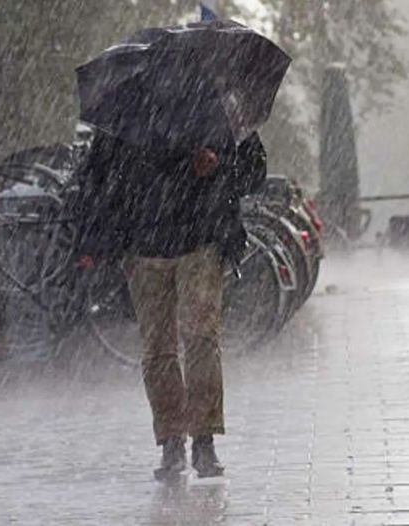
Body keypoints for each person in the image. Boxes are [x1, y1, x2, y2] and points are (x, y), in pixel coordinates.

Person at [74, 128, 266, 480]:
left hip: (201, 241)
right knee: (159, 347)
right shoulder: (128, 113)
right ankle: (172, 441)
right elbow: (99, 178)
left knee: (200, 339)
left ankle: (203, 440)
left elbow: (253, 174)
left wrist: (218, 166)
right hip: (145, 247)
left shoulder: (215, 107)